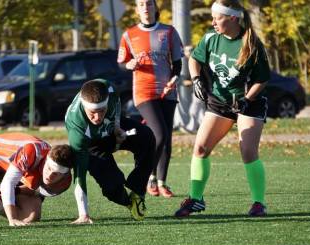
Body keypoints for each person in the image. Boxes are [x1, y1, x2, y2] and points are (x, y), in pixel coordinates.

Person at [175, 0, 270, 218]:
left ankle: (258, 203)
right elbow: (194, 60)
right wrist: (197, 79)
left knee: (247, 152)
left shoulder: (252, 43)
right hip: (220, 101)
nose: (213, 22)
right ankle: (196, 199)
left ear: (233, 19)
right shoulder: (211, 37)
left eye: (217, 18)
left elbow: (262, 79)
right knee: (200, 148)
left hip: (249, 102)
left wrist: (247, 99)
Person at [65, 79, 155, 224]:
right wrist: (83, 214)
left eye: (102, 111)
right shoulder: (77, 131)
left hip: (111, 130)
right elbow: (79, 176)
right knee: (112, 187)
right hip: (91, 144)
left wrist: (117, 126)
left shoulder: (109, 88)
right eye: (92, 113)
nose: (98, 117)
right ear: (84, 105)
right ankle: (129, 202)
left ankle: (138, 190)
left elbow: (117, 102)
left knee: (147, 136)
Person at [117, 0, 183, 198]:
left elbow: (177, 63)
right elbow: (122, 63)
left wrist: (174, 78)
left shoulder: (169, 31)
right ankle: (147, 177)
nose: (146, 7)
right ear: (137, 9)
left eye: (149, 4)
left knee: (167, 140)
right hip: (144, 92)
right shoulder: (129, 34)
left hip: (168, 91)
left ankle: (161, 181)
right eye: (141, 4)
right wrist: (129, 65)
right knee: (159, 134)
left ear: (155, 8)